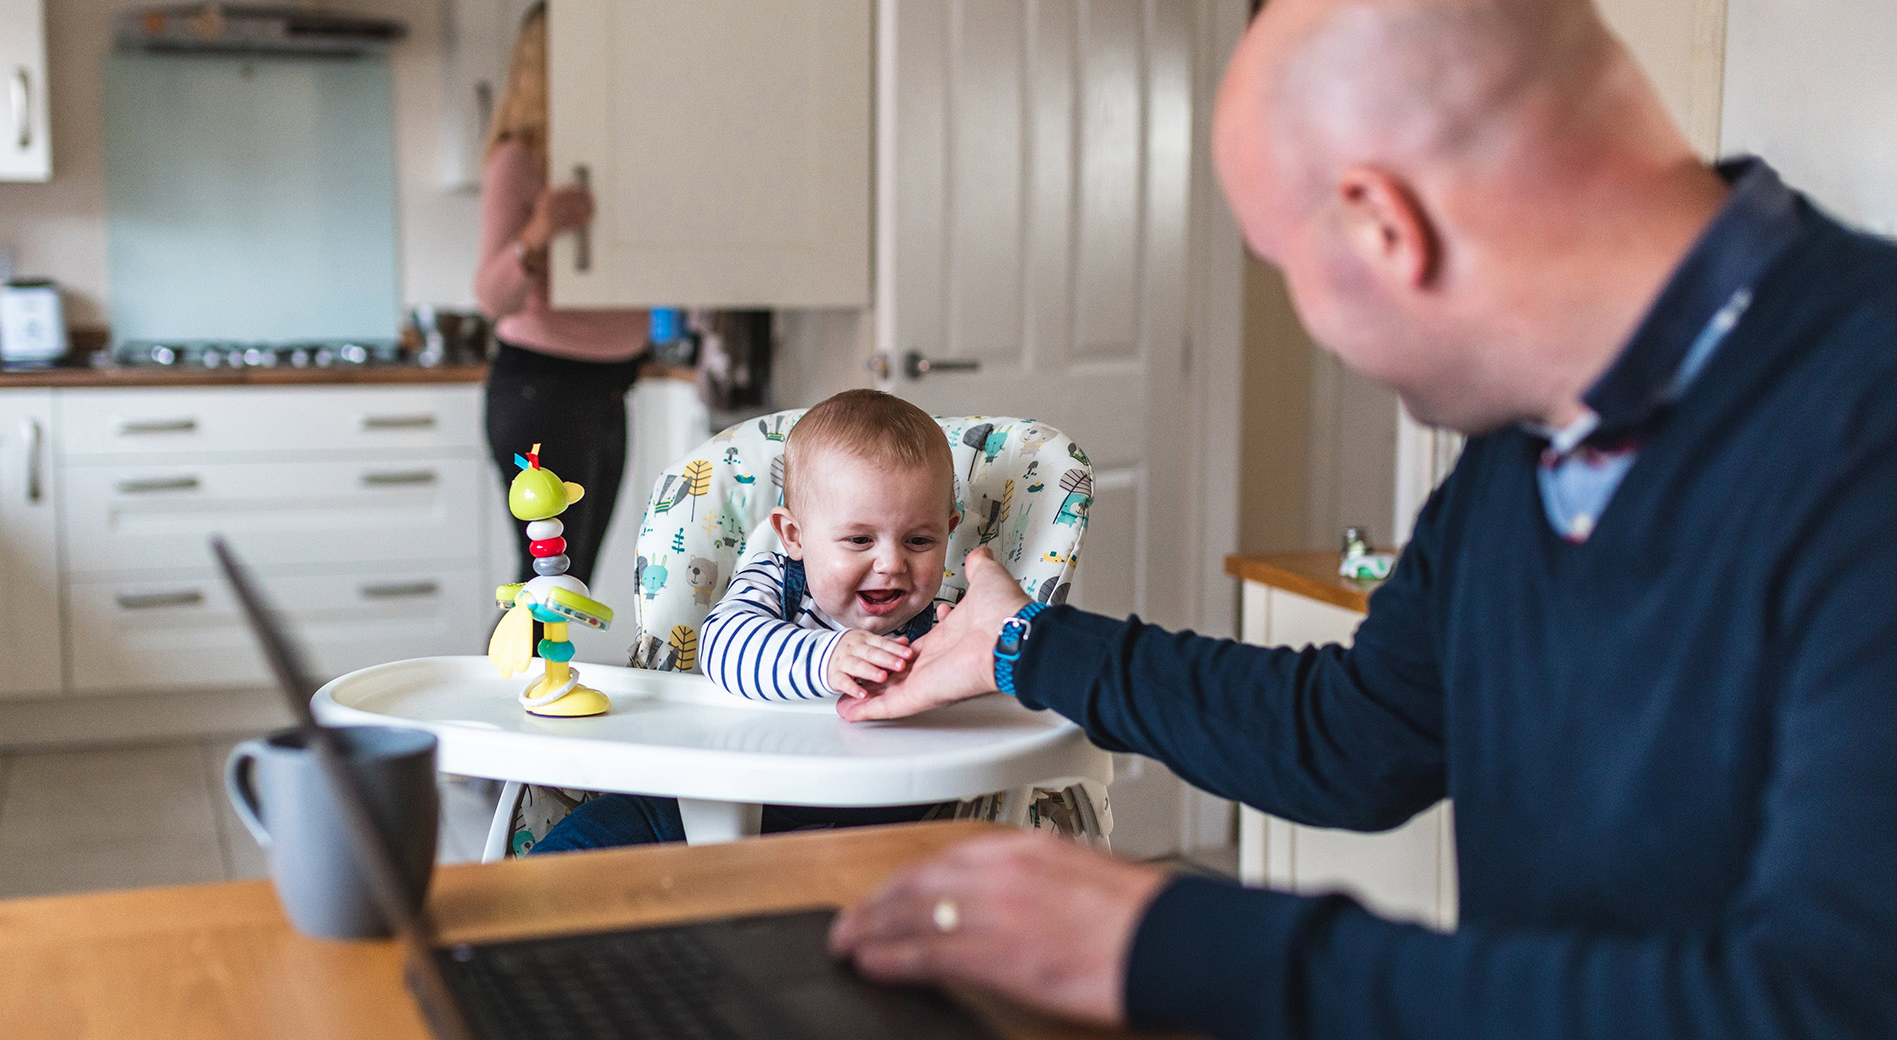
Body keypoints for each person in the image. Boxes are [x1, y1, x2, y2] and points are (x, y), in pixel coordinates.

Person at [826, 1, 1897, 1037]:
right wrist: (1021, 643)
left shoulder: (1863, 423)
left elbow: (1817, 1004)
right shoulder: (1531, 447)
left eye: (1287, 267)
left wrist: (1167, 941)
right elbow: (1359, 733)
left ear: (1387, 225)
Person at [531, 389, 960, 851]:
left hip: (883, 817)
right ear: (794, 536)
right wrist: (828, 657)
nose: (891, 564)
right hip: (735, 793)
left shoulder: (948, 620)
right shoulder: (774, 580)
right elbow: (723, 644)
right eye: (859, 540)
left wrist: (973, 660)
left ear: (948, 531)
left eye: (918, 542)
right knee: (600, 828)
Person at [474, 1, 650, 589]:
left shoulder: (625, 153)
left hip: (608, 391)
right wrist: (537, 234)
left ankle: (537, 683)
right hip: (540, 391)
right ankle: (511, 683)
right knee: (546, 582)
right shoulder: (519, 159)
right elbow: (490, 298)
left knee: (566, 586)